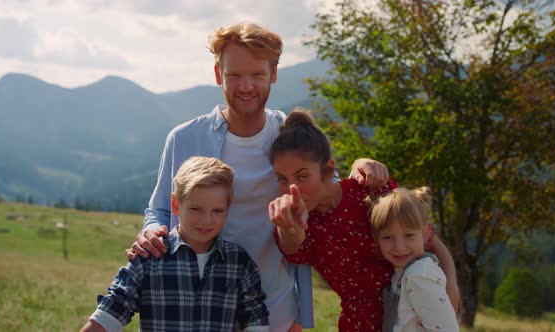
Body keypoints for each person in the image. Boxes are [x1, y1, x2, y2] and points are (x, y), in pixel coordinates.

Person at [125, 22, 390, 331]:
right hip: (200, 309)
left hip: (274, 309)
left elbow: (326, 192)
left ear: (274, 74)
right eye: (234, 75)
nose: (245, 86)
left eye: (257, 75)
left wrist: (361, 165)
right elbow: (159, 209)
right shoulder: (183, 138)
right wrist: (152, 231)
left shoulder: (290, 137)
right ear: (217, 75)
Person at [268, 109, 459, 332]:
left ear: (328, 169)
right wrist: (289, 227)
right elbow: (291, 244)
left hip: (413, 315)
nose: (293, 189)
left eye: (302, 176)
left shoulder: (371, 190)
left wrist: (451, 288)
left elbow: (430, 241)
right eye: (282, 178)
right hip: (359, 325)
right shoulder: (301, 224)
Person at [80, 157, 270, 332]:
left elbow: (256, 322)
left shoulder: (239, 263)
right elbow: (109, 313)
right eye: (196, 209)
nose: (207, 220)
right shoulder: (149, 257)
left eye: (217, 211)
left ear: (228, 209)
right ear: (176, 204)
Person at [369, 186, 460, 332]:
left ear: (424, 234)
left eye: (409, 235)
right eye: (387, 237)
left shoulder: (419, 274)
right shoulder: (405, 271)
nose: (399, 247)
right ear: (376, 240)